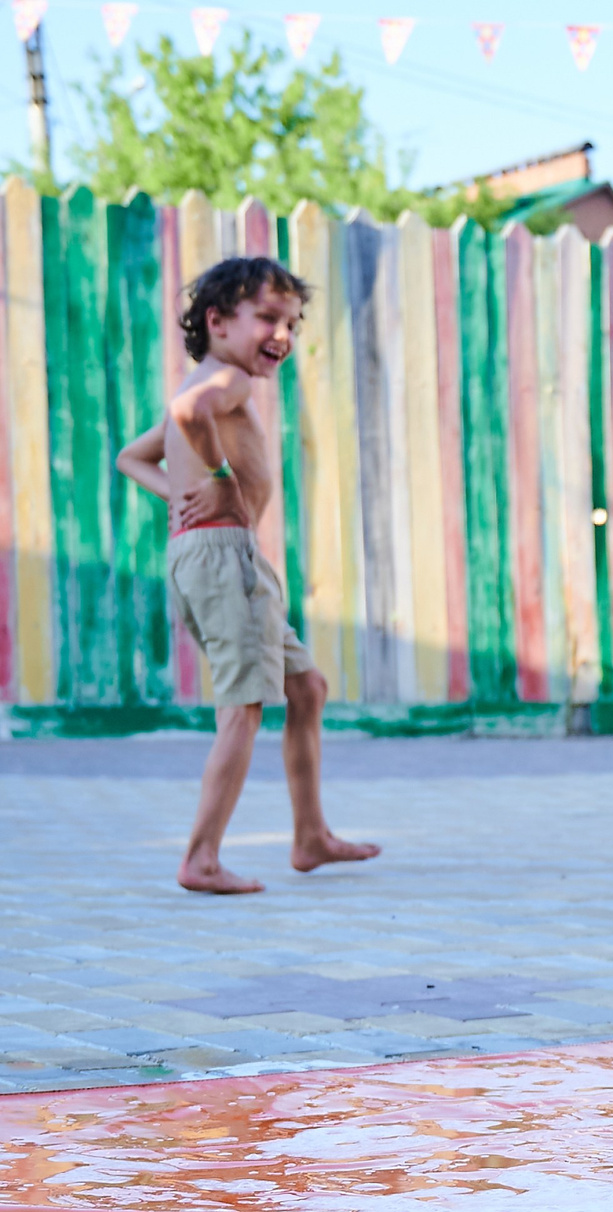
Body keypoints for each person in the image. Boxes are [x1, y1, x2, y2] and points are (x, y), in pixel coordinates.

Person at [113, 256, 377, 896]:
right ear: (218, 320)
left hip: (218, 556)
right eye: (268, 317)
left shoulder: (213, 376)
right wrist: (223, 483)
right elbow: (185, 415)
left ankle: (310, 835)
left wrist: (180, 493)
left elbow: (131, 457)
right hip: (223, 557)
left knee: (306, 687)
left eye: (292, 321)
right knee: (243, 709)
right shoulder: (225, 382)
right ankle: (200, 858)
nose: (283, 334)